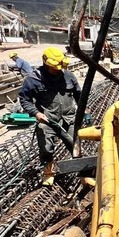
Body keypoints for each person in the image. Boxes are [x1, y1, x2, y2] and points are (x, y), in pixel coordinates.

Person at [19, 47, 81, 186]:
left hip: (68, 119)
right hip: (47, 120)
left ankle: (82, 172)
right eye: (55, 67)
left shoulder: (69, 76)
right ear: (46, 64)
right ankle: (48, 173)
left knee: (75, 146)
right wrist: (36, 113)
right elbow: (25, 99)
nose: (58, 70)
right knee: (46, 148)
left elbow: (79, 95)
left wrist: (85, 111)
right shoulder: (33, 79)